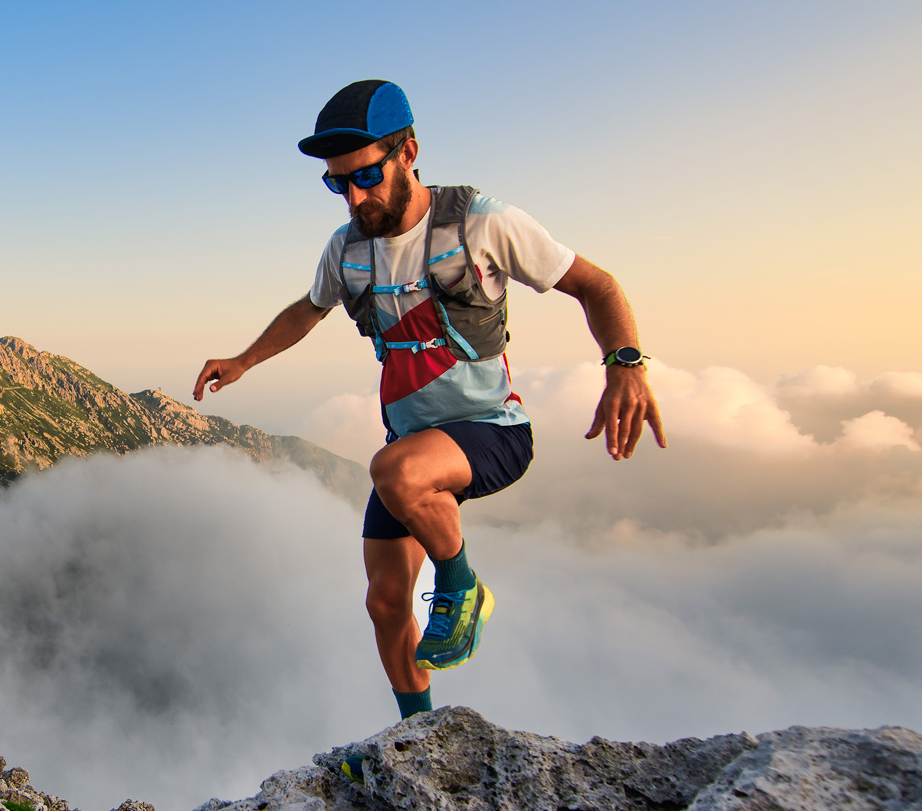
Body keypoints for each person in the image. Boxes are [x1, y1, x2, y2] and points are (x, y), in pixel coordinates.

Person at [193, 79, 664, 723]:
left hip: (491, 433)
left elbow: (597, 285)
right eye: (339, 184)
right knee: (385, 602)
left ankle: (462, 586)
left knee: (394, 472)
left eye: (368, 175)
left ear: (408, 150)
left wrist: (625, 364)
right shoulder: (348, 248)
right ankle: (418, 733)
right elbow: (310, 309)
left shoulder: (482, 223)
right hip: (415, 450)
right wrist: (244, 360)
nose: (356, 196)